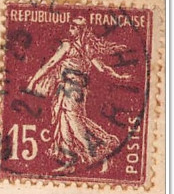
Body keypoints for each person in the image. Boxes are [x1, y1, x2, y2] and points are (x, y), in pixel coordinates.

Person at [26, 19, 130, 173]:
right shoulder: (86, 48)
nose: (70, 30)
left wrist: (33, 81)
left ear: (81, 30)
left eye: (74, 27)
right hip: (70, 88)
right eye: (71, 27)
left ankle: (101, 152)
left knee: (75, 123)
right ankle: (70, 161)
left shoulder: (69, 46)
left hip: (72, 89)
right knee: (64, 123)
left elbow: (50, 63)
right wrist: (118, 76)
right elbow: (102, 68)